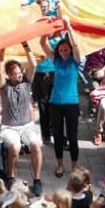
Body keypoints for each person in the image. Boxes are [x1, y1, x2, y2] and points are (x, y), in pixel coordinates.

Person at [0, 45, 44, 196]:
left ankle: (37, 180)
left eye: (20, 72)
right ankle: (10, 177)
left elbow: (34, 64)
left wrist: (26, 45)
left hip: (27, 125)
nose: (20, 75)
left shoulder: (26, 82)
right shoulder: (4, 86)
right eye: (16, 74)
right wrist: (2, 51)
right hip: (9, 127)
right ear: (9, 75)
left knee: (36, 145)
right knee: (15, 147)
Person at [41, 33, 82, 177]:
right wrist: (45, 30)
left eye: (66, 49)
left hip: (72, 104)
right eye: (61, 50)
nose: (63, 52)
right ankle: (59, 164)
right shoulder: (56, 61)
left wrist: (69, 27)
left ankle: (75, 167)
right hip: (55, 103)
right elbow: (43, 44)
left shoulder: (75, 61)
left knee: (72, 137)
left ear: (70, 50)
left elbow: (76, 45)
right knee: (57, 136)